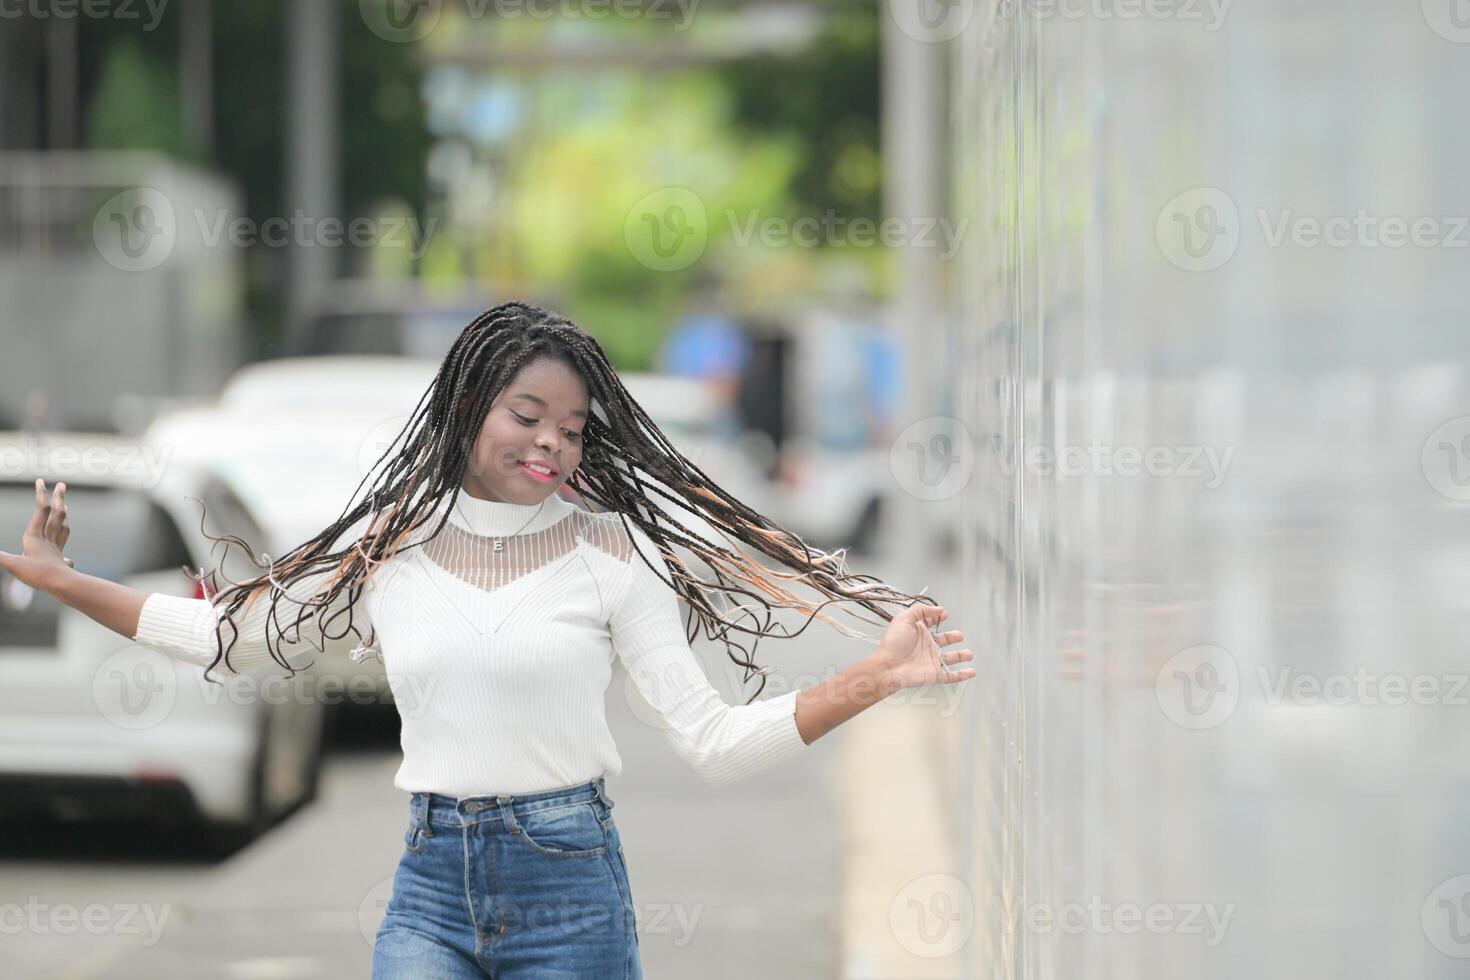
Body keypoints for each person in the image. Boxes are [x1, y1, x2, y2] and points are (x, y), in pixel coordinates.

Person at [0, 302, 975, 979]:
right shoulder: (386, 552)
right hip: (430, 877)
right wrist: (62, 580)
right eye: (527, 416)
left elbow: (711, 738)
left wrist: (875, 674)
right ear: (468, 409)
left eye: (573, 428)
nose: (552, 442)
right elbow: (226, 634)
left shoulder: (609, 554)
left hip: (569, 879)